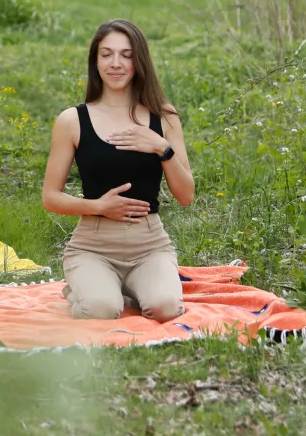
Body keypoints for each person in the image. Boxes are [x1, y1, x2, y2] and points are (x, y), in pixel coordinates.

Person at [41, 20, 195, 323]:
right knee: (100, 309)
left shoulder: (163, 116)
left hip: (150, 245)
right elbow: (50, 197)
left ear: (139, 62)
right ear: (95, 62)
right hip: (93, 245)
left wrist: (162, 148)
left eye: (126, 55)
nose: (116, 64)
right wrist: (98, 206)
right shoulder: (72, 120)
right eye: (106, 54)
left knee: (165, 308)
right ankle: (91, 288)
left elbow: (186, 195)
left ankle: (130, 287)